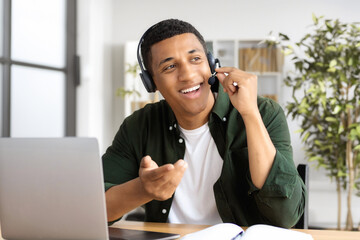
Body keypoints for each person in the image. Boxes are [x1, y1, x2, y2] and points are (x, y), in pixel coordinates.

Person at [102, 19, 306, 228]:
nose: (188, 75)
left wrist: (250, 113)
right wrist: (143, 190)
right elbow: (94, 207)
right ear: (151, 83)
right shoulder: (140, 125)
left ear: (211, 64)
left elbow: (286, 215)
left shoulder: (263, 112)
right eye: (170, 66)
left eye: (195, 59)